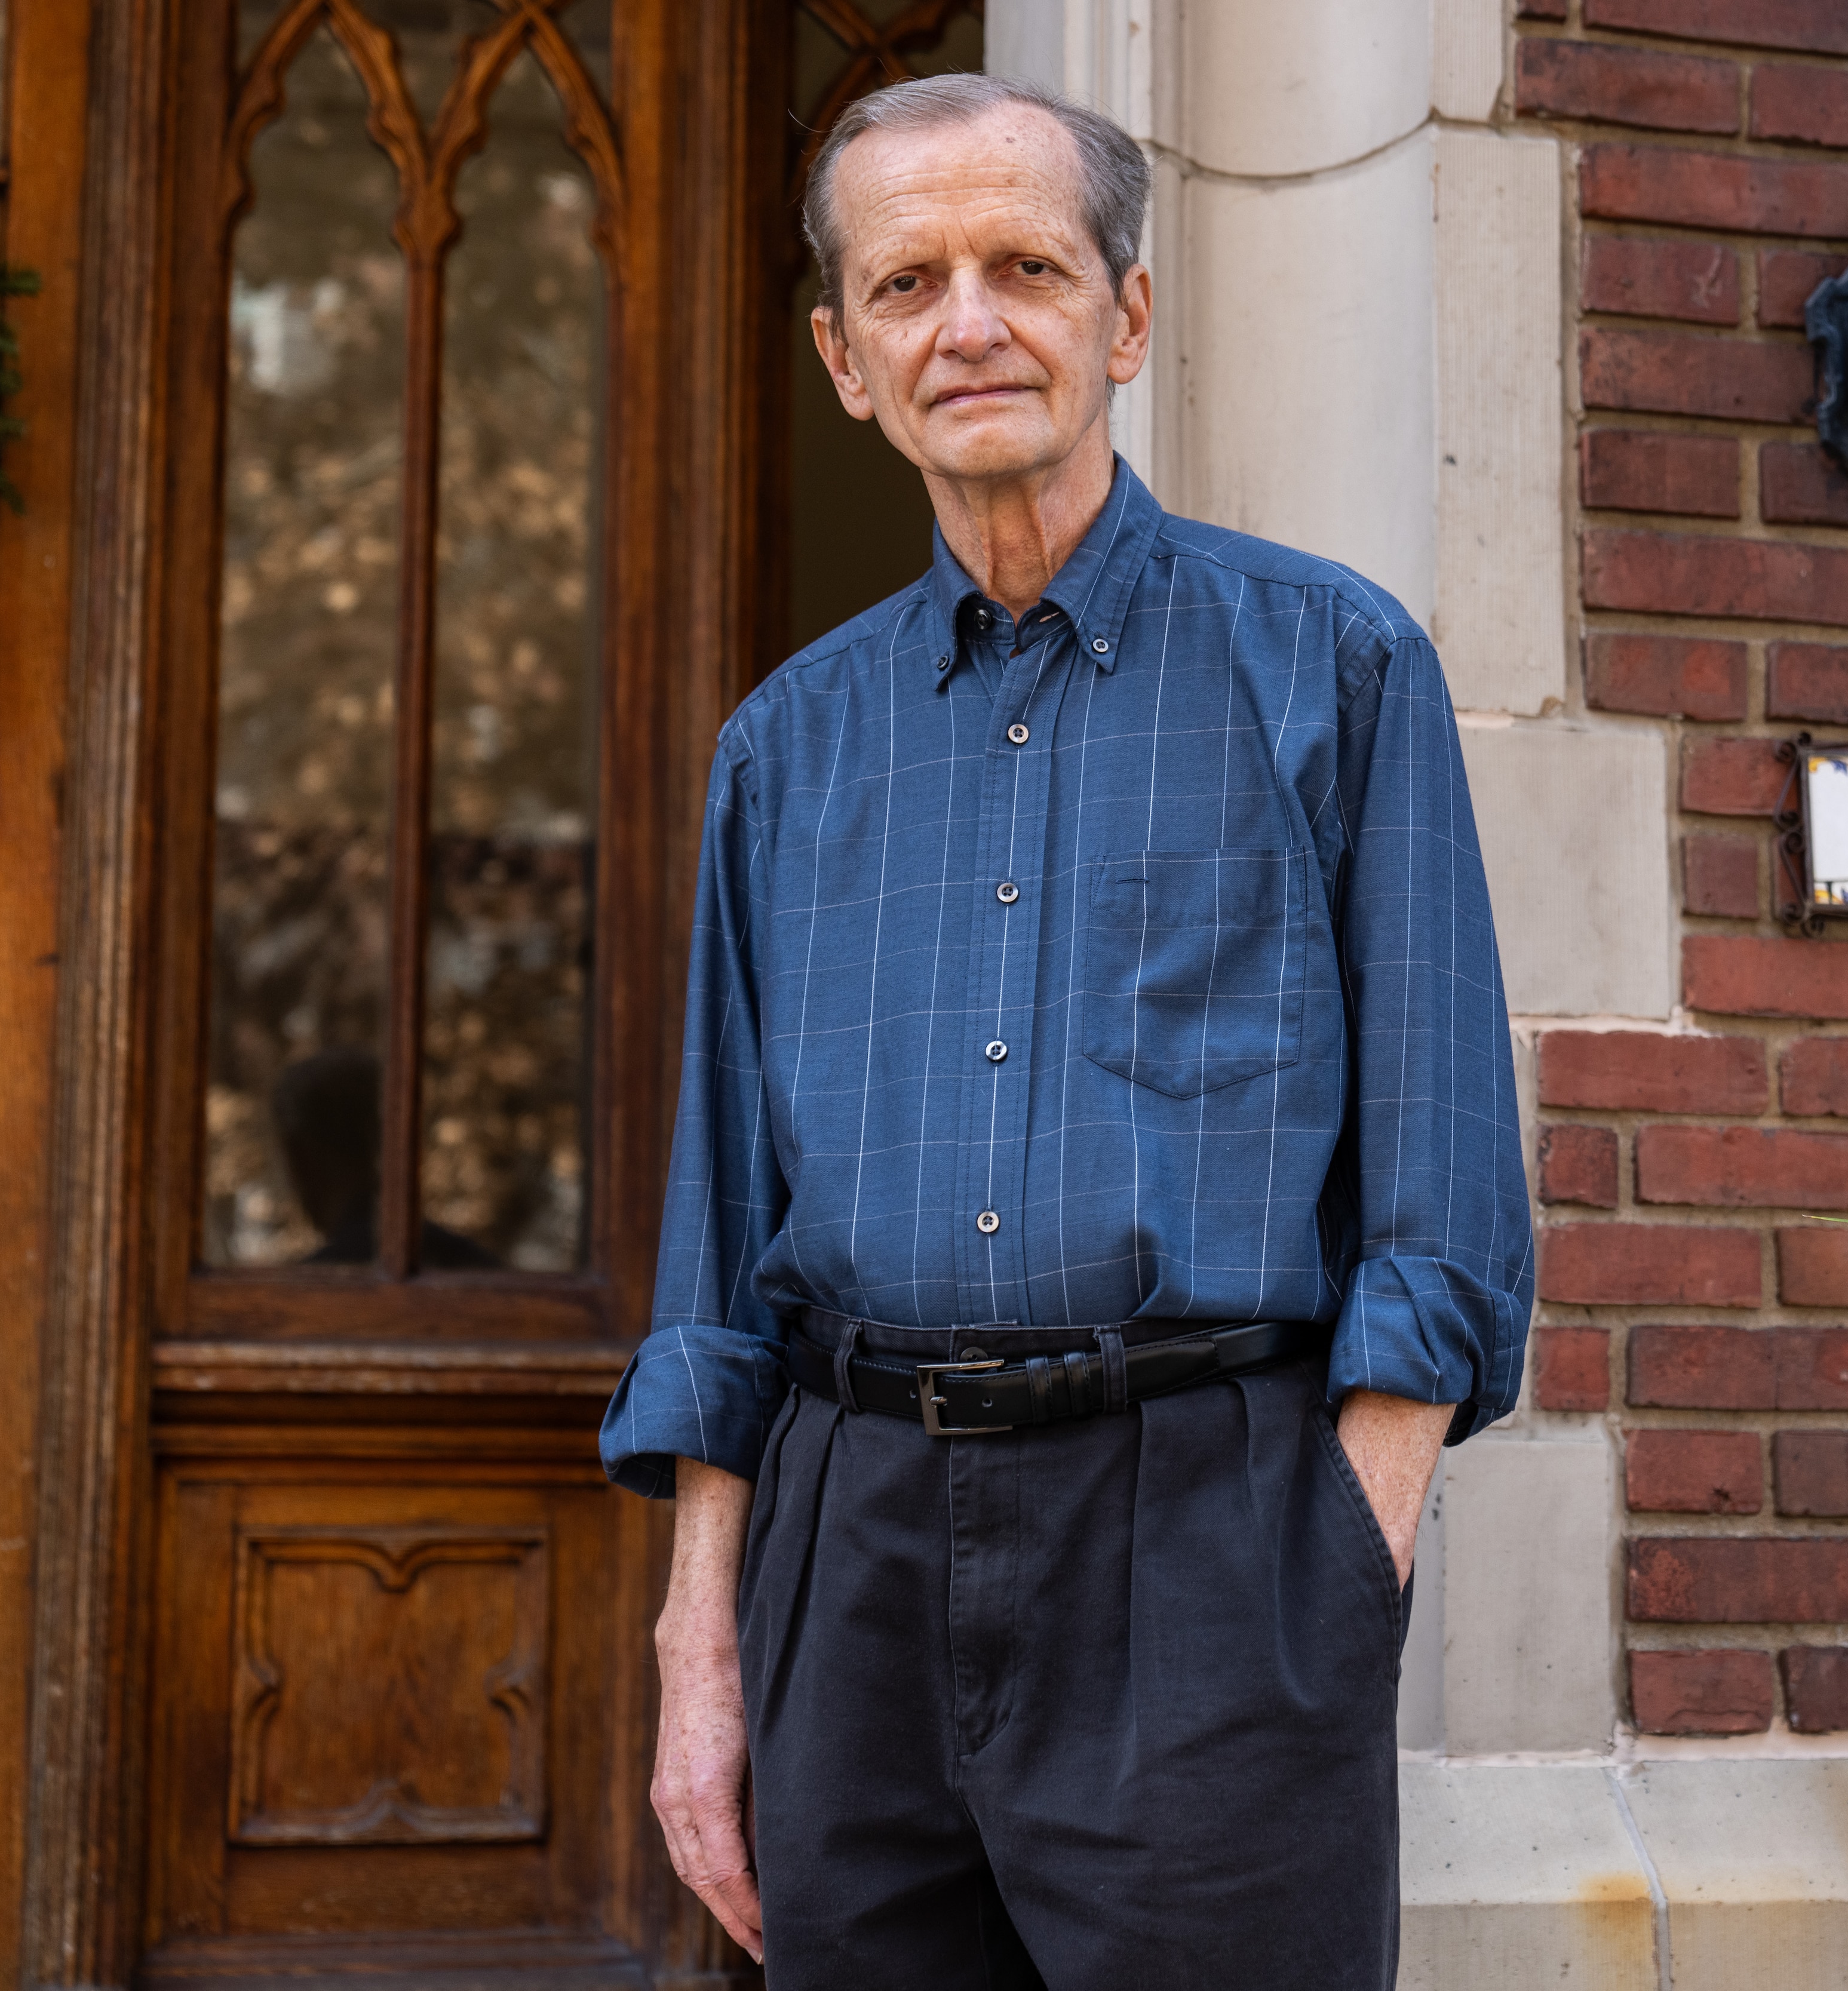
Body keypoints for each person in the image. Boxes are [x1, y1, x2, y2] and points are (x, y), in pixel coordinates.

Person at [596, 70, 1533, 1991]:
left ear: (1123, 318)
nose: (969, 323)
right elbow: (717, 1246)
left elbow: (1445, 1195)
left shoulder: (1337, 670)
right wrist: (708, 1646)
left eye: (1024, 264)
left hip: (1208, 1540)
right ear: (844, 359)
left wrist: (1342, 1557)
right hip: (846, 1549)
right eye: (908, 282)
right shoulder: (787, 750)